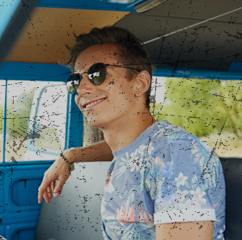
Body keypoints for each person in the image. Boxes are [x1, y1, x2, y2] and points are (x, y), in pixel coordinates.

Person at [37, 26, 225, 240]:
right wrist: (69, 156)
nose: (81, 90)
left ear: (140, 83)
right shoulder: (134, 150)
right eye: (75, 81)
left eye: (97, 74)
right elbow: (126, 150)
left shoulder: (176, 154)